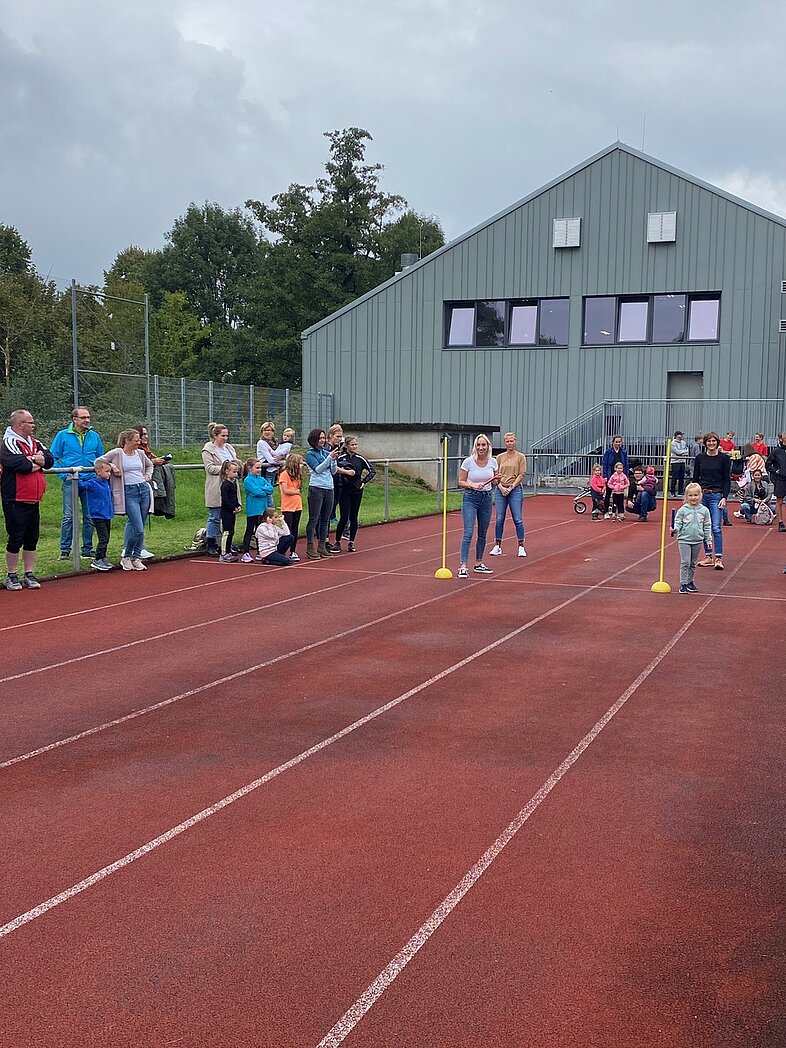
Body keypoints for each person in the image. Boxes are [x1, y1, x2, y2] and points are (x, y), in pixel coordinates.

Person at [1, 409, 54, 591]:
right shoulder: (9, 442)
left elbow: (49, 460)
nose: (33, 425)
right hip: (15, 498)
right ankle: (11, 574)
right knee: (15, 537)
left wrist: (35, 460)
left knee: (32, 538)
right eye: (30, 422)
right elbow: (20, 465)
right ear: (20, 425)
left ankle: (29, 573)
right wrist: (35, 462)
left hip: (34, 498)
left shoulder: (35, 442)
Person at [49, 406, 105, 560]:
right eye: (83, 417)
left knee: (89, 515)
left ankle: (87, 549)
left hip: (90, 481)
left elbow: (101, 458)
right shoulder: (63, 435)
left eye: (88, 417)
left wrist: (98, 475)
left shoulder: (94, 436)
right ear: (74, 419)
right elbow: (52, 458)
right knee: (69, 516)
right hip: (71, 481)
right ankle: (65, 550)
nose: (87, 420)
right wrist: (64, 474)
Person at [103, 428, 154, 571]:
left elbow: (150, 465)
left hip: (142, 489)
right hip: (129, 491)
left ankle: (136, 557)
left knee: (140, 525)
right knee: (137, 528)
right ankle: (126, 555)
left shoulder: (141, 453)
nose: (139, 442)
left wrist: (147, 477)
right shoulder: (117, 453)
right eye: (136, 440)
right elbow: (100, 460)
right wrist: (113, 467)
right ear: (127, 441)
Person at [457, 433, 499, 578]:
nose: (481, 447)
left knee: (482, 532)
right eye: (479, 445)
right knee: (468, 532)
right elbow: (460, 481)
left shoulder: (493, 462)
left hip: (486, 498)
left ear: (488, 446)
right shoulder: (468, 462)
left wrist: (496, 480)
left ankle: (478, 563)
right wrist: (472, 485)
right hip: (470, 497)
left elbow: (496, 481)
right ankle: (463, 566)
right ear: (475, 446)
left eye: (484, 445)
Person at [693, 431, 731, 570]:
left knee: (716, 527)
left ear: (717, 443)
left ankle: (718, 558)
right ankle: (708, 556)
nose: (711, 443)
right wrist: (693, 497)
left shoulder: (724, 459)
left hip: (717, 496)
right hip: (702, 496)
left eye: (714, 441)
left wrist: (724, 497)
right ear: (705, 443)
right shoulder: (700, 458)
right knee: (704, 528)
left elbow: (727, 480)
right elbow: (695, 479)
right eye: (709, 441)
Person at [332, 436, 376, 553]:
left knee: (354, 517)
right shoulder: (341, 458)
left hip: (356, 490)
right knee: (343, 516)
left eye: (356, 445)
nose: (354, 447)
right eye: (352, 445)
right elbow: (333, 469)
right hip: (344, 490)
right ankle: (337, 541)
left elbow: (372, 470)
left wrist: (363, 482)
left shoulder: (360, 458)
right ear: (346, 445)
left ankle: (351, 542)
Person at [489, 432, 527, 557]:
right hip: (501, 489)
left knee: (517, 519)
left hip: (514, 489)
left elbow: (521, 474)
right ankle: (497, 545)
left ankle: (521, 545)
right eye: (507, 441)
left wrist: (511, 487)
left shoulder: (520, 457)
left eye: (511, 441)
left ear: (515, 441)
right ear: (504, 442)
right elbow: (495, 475)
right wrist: (500, 486)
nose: (509, 443)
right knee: (499, 519)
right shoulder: (499, 457)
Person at [202, 423, 237, 555]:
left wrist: (235, 469)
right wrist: (225, 469)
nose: (225, 438)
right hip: (216, 486)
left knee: (228, 516)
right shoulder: (208, 449)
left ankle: (226, 543)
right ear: (215, 435)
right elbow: (209, 468)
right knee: (215, 516)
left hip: (230, 486)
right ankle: (211, 543)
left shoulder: (229, 448)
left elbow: (235, 463)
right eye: (222, 435)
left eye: (227, 435)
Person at [304, 428, 339, 559]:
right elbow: (318, 469)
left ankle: (322, 545)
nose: (322, 440)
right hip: (316, 488)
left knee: (325, 519)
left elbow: (334, 471)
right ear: (314, 440)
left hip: (329, 488)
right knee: (314, 519)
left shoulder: (326, 453)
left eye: (324, 438)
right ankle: (309, 546)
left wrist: (334, 460)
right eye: (320, 438)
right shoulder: (310, 454)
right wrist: (329, 458)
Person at [673, 483, 712, 594]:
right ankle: (683, 583)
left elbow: (707, 526)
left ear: (700, 495)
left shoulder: (704, 510)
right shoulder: (683, 510)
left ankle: (690, 582)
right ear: (686, 497)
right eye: (690, 495)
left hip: (697, 540)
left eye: (695, 495)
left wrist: (708, 540)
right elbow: (678, 522)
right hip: (684, 540)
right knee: (685, 562)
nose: (693, 498)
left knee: (693, 563)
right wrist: (675, 529)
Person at [78, 457, 115, 571]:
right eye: (107, 471)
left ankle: (103, 557)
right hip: (97, 515)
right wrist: (77, 474)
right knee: (103, 538)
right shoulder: (92, 483)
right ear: (98, 472)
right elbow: (82, 485)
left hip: (107, 514)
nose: (109, 474)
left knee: (106, 537)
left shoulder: (106, 483)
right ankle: (98, 559)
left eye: (109, 471)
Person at [240, 459, 273, 563]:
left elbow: (270, 489)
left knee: (261, 531)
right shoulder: (248, 480)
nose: (259, 470)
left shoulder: (262, 479)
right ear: (250, 468)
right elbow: (257, 491)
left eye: (260, 468)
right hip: (253, 509)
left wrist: (262, 490)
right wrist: (262, 490)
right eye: (257, 468)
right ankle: (245, 553)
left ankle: (261, 552)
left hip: (263, 509)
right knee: (250, 531)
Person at [279, 452, 304, 561]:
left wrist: (296, 492)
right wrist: (296, 491)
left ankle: (293, 551)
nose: (302, 465)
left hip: (297, 505)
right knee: (286, 530)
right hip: (288, 506)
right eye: (300, 463)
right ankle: (282, 549)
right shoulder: (284, 474)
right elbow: (286, 490)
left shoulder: (298, 476)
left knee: (295, 529)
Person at [218, 459, 242, 563]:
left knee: (231, 531)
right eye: (234, 472)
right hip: (226, 511)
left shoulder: (233, 484)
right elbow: (225, 499)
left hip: (232, 511)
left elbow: (234, 497)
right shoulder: (225, 484)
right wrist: (233, 507)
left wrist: (238, 505)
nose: (236, 474)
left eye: (237, 472)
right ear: (227, 471)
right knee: (227, 532)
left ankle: (228, 551)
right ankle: (223, 553)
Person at [256, 421, 286, 503]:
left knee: (270, 492)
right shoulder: (262, 443)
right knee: (268, 493)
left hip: (273, 471)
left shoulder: (275, 443)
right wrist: (282, 461)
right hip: (266, 470)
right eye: (265, 430)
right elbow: (271, 460)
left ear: (273, 432)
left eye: (269, 430)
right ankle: (270, 513)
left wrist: (282, 457)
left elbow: (283, 454)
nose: (267, 432)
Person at [601, 435, 629, 517]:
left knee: (619, 495)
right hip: (611, 475)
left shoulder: (623, 452)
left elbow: (626, 464)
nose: (618, 443)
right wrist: (605, 475)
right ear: (613, 442)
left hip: (620, 476)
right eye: (616, 442)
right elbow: (605, 464)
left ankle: (619, 512)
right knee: (608, 494)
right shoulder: (608, 452)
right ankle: (606, 512)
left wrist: (626, 475)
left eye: (619, 442)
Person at [765, 433, 786, 533]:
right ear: (782, 439)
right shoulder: (776, 451)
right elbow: (768, 464)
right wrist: (776, 471)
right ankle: (780, 522)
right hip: (781, 479)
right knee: (779, 501)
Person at [669, 431, 690, 497]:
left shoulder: (683, 442)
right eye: (679, 436)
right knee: (674, 477)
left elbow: (687, 451)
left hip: (682, 461)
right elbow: (677, 452)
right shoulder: (673, 443)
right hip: (675, 462)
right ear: (676, 436)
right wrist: (683, 452)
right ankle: (672, 491)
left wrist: (682, 452)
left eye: (681, 435)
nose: (681, 437)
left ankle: (680, 491)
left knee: (682, 477)